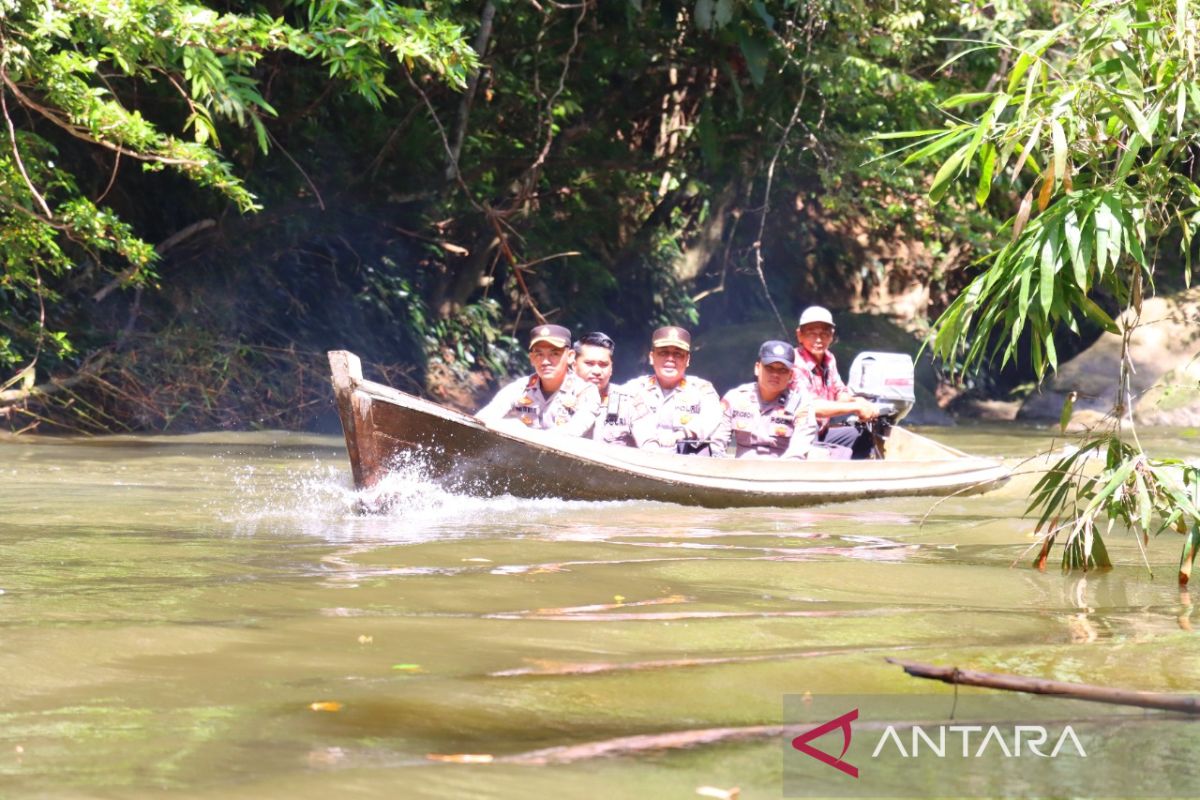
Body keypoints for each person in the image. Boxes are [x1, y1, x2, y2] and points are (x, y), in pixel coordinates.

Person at [476, 323, 601, 436]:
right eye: (539, 354)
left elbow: (573, 431)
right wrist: (509, 426)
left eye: (554, 353)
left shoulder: (585, 392)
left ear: (570, 357)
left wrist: (522, 432)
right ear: (531, 358)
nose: (545, 362)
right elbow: (485, 417)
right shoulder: (521, 387)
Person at [792, 305, 880, 459]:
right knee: (840, 454)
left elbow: (840, 392)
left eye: (824, 334)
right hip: (797, 435)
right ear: (800, 335)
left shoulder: (829, 359)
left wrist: (858, 401)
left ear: (831, 336)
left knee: (865, 436)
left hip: (820, 432)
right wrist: (855, 407)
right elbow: (811, 407)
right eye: (812, 334)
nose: (818, 340)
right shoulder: (794, 362)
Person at [622, 326, 726, 455]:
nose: (670, 359)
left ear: (687, 360)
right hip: (640, 463)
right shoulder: (633, 389)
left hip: (686, 465)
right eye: (663, 353)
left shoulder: (702, 390)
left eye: (677, 354)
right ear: (651, 357)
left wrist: (684, 434)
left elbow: (712, 416)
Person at [720, 340, 821, 459]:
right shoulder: (735, 398)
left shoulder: (800, 404)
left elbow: (799, 448)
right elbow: (717, 441)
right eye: (769, 367)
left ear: (791, 375)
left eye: (783, 370)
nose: (775, 374)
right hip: (739, 471)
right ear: (757, 368)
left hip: (782, 471)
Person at [573, 332, 637, 446]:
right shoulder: (560, 398)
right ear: (574, 365)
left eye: (603, 365)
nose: (597, 371)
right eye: (589, 363)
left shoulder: (630, 403)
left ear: (611, 368)